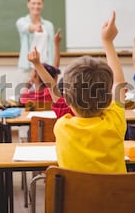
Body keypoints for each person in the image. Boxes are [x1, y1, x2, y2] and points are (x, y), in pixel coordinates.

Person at [54, 11, 127, 173]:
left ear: (67, 98)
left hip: (76, 199)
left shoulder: (62, 126)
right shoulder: (115, 122)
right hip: (117, 198)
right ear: (108, 99)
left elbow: (118, 86)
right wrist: (107, 42)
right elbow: (119, 85)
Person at [27, 29, 74, 118]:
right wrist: (56, 45)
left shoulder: (30, 97)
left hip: (35, 130)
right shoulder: (52, 94)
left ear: (35, 76)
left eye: (33, 71)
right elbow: (54, 72)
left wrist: (26, 87)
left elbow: (21, 100)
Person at [16, 0, 55, 73]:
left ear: (42, 5)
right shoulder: (21, 21)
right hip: (28, 67)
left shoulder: (49, 25)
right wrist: (36, 28)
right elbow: (26, 28)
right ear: (28, 4)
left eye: (39, 4)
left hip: (45, 67)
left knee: (46, 86)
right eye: (33, 3)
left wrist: (53, 66)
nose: (36, 6)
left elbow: (52, 47)